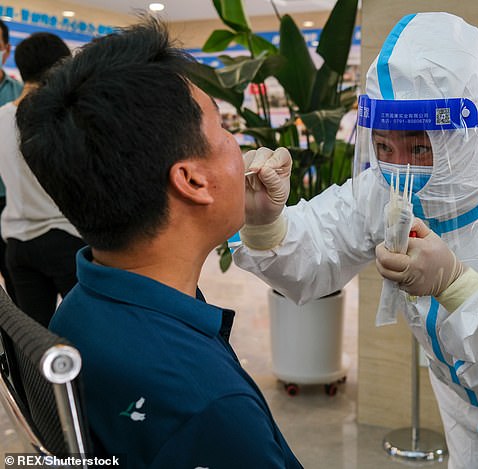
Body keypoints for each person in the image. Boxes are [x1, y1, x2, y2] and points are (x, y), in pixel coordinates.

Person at [234, 12, 478, 469]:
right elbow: (323, 244)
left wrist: (458, 286)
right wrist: (267, 224)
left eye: (420, 148)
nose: (400, 168)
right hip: (467, 413)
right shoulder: (388, 184)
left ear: (465, 133)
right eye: (383, 147)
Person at [16, 19, 302, 469]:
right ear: (191, 180)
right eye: (224, 128)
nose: (238, 144)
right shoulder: (210, 407)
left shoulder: (81, 306)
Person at [0, 32, 85, 327]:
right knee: (86, 327)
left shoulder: (0, 118)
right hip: (63, 238)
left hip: (17, 243)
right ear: (60, 67)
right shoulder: (61, 119)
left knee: (35, 338)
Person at [0, 18, 23, 301]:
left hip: (9, 201)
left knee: (17, 286)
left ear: (6, 49)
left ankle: (19, 345)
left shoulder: (19, 94)